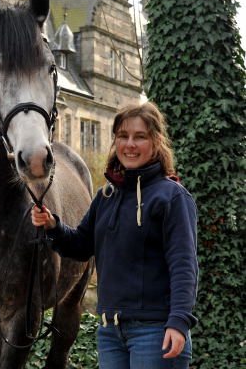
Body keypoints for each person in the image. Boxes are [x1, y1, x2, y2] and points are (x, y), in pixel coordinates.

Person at [31, 101, 198, 368]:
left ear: (156, 142)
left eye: (139, 137)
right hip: (110, 333)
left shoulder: (172, 197)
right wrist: (53, 226)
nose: (129, 144)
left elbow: (184, 266)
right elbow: (82, 246)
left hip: (155, 332)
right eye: (123, 136)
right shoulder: (107, 196)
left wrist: (179, 322)